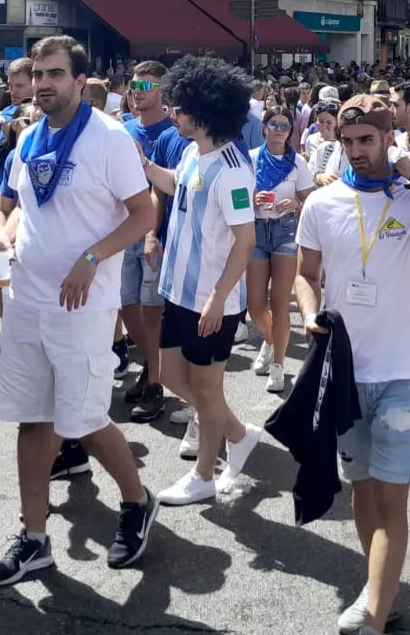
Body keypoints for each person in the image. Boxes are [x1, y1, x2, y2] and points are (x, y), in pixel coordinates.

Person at [0, 36, 158, 585]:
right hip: (27, 298)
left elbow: (143, 214)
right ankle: (34, 539)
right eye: (38, 74)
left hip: (83, 304)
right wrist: (4, 237)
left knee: (84, 418)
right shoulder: (30, 136)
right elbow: (19, 209)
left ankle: (137, 500)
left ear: (80, 81)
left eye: (55, 74)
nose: (43, 84)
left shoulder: (109, 138)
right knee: (32, 418)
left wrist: (92, 257)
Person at [294, 93, 410, 635]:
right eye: (347, 142)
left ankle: (373, 617)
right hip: (346, 373)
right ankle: (379, 588)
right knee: (363, 490)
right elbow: (305, 274)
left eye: (367, 140)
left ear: (390, 138)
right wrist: (309, 313)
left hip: (402, 374)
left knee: (391, 498)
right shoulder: (323, 203)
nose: (356, 151)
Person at [142, 57, 262, 505]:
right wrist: (143, 164)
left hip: (212, 299)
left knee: (208, 392)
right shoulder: (193, 152)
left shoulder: (232, 170)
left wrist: (217, 298)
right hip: (178, 291)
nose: (173, 113)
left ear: (205, 111)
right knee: (172, 376)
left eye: (180, 107)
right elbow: (176, 184)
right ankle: (238, 433)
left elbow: (246, 241)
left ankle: (204, 474)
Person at [118, 62, 176, 420]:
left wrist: (153, 233)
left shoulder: (172, 133)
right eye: (133, 86)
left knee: (152, 312)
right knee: (127, 308)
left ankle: (155, 383)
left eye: (144, 86)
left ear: (161, 90)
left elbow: (164, 189)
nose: (136, 92)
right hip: (121, 232)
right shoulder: (123, 131)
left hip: (155, 235)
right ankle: (153, 366)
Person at [246, 106, 312, 394]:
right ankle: (271, 340)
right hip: (256, 230)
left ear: (290, 131)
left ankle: (278, 366)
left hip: (285, 231)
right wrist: (252, 198)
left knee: (280, 303)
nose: (279, 129)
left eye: (285, 125)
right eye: (274, 124)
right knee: (255, 306)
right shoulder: (250, 159)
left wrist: (296, 204)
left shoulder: (298, 163)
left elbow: (309, 200)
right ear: (265, 128)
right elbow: (237, 196)